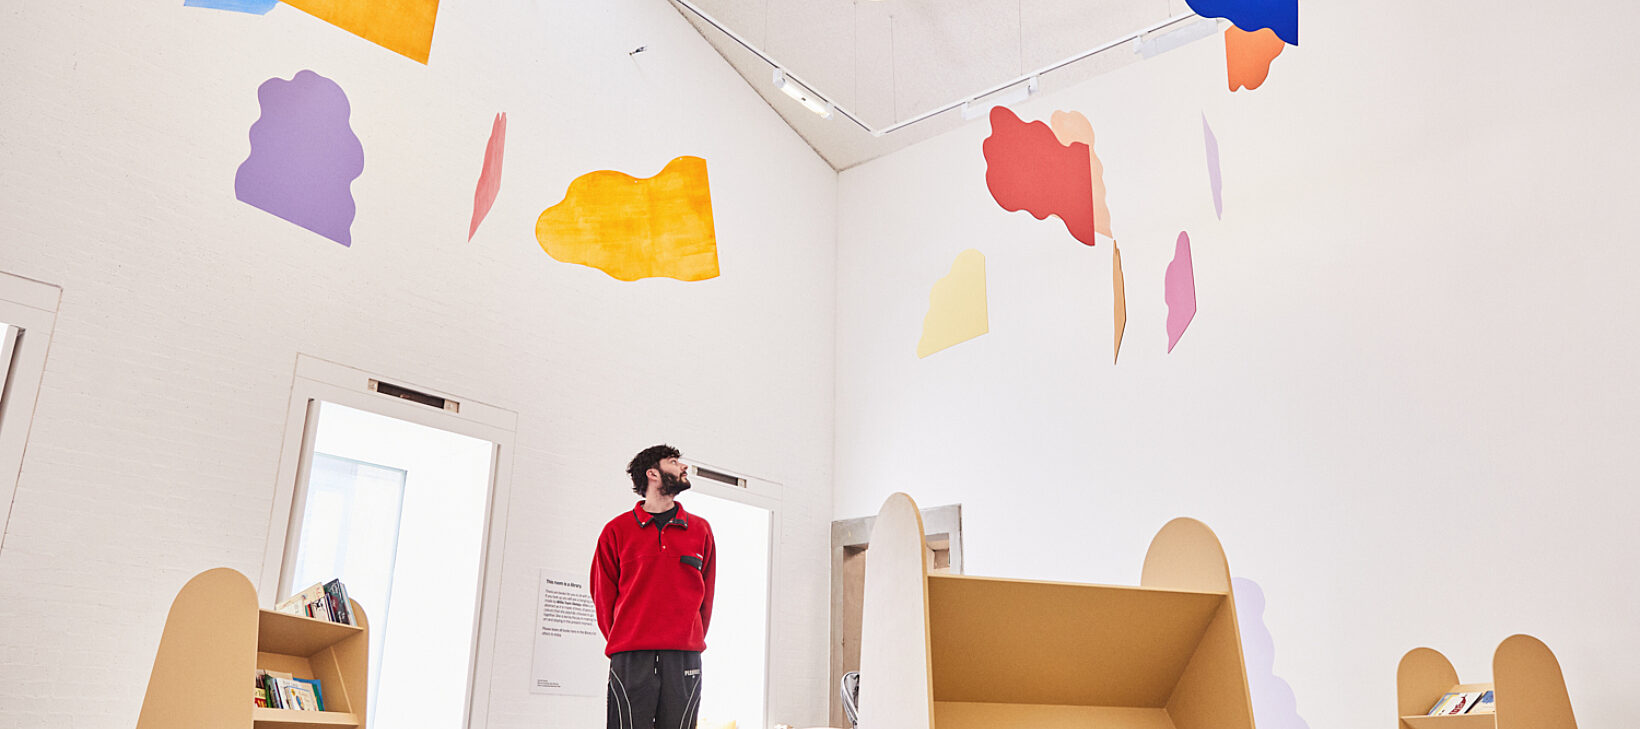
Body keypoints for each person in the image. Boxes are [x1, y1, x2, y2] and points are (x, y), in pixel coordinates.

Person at [591, 444, 717, 729]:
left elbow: (706, 598)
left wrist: (687, 635)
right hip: (631, 655)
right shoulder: (616, 531)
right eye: (674, 462)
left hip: (684, 654)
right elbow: (603, 597)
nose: (683, 467)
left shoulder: (700, 530)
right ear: (653, 473)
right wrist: (627, 637)